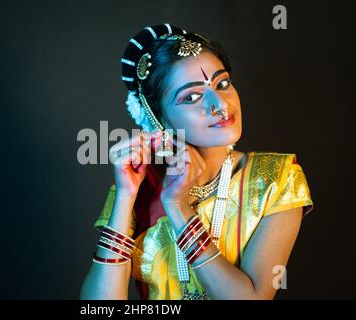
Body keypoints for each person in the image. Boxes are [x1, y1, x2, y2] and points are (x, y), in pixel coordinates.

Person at [80, 23, 313, 300]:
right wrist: (126, 195)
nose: (220, 105)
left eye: (222, 83)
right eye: (191, 97)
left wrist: (177, 207)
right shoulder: (138, 185)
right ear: (159, 118)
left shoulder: (275, 178)